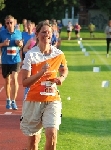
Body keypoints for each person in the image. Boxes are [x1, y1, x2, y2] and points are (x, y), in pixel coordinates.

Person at [20, 21, 68, 150]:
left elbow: (64, 69)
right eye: (43, 32)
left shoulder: (58, 54)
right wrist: (41, 73)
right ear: (37, 34)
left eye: (49, 32)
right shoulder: (30, 55)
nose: (47, 35)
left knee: (52, 134)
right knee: (33, 142)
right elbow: (25, 82)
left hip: (52, 99)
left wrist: (61, 78)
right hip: (34, 100)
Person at [0, 15, 23, 110]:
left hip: (16, 59)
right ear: (5, 23)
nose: (9, 24)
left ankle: (14, 101)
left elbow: (22, 45)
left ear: (14, 22)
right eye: (7, 23)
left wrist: (20, 44)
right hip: (6, 60)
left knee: (15, 78)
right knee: (7, 80)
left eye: (11, 22)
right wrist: (3, 44)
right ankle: (8, 99)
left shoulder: (19, 33)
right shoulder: (1, 34)